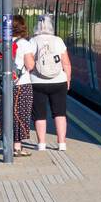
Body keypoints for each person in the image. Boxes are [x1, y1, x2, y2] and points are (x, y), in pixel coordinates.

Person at [25, 14, 71, 151]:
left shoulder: (32, 41)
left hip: (37, 82)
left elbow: (29, 64)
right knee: (60, 113)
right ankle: (61, 143)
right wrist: (67, 79)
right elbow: (66, 63)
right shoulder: (58, 41)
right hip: (59, 81)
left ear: (37, 26)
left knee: (39, 114)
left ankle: (41, 144)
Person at [5, 15, 35, 157]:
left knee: (8, 114)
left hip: (6, 83)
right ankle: (17, 147)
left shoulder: (4, 41)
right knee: (20, 115)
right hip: (22, 84)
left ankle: (8, 144)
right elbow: (30, 65)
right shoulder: (24, 43)